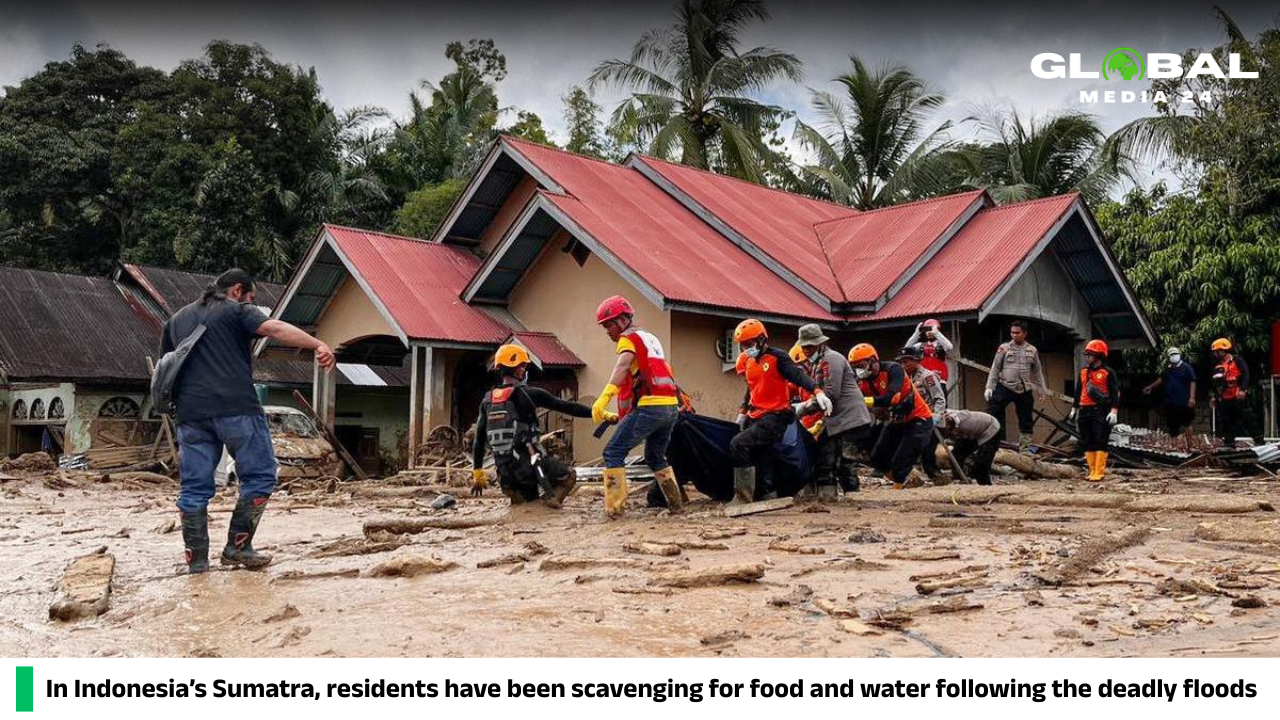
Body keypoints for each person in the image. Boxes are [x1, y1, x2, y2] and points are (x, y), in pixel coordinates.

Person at [162, 268, 336, 574]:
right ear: (237, 290)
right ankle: (237, 548)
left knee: (193, 489)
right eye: (251, 297)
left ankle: (197, 563)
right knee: (260, 475)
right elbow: (275, 329)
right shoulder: (235, 310)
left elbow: (166, 365)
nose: (252, 303)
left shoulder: (176, 319)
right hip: (236, 407)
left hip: (191, 414)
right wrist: (317, 345)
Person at [590, 295, 683, 518]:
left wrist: (604, 397)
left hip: (650, 407)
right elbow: (654, 373)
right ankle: (676, 506)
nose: (608, 331)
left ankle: (615, 512)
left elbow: (622, 367)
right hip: (669, 408)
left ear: (623, 320)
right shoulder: (650, 338)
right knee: (655, 457)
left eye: (609, 324)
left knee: (613, 452)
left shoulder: (627, 339)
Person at [472, 344, 594, 508]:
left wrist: (477, 472)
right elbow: (568, 407)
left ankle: (537, 513)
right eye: (522, 365)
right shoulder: (529, 394)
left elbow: (479, 440)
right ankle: (550, 504)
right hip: (531, 466)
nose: (524, 369)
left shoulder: (488, 400)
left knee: (523, 509)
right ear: (514, 368)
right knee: (568, 476)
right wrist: (597, 413)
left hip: (505, 474)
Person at [732, 319, 832, 503]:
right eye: (743, 345)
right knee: (762, 453)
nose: (746, 348)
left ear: (761, 339)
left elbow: (798, 376)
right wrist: (742, 412)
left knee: (738, 444)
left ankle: (743, 497)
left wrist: (817, 391)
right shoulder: (748, 361)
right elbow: (751, 389)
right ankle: (767, 493)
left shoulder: (778, 357)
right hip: (756, 415)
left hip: (775, 416)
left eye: (749, 343)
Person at [793, 324, 872, 500]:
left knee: (845, 462)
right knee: (824, 457)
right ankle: (827, 497)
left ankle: (853, 498)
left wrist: (802, 408)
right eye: (804, 346)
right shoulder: (817, 363)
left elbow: (830, 394)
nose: (806, 350)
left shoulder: (832, 359)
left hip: (851, 420)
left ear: (820, 344)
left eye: (810, 346)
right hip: (835, 421)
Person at [848, 343, 933, 489]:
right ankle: (906, 482)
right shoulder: (861, 383)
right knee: (877, 458)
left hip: (918, 419)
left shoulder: (893, 369)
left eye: (861, 364)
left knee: (902, 460)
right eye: (855, 366)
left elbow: (891, 396)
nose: (859, 370)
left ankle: (900, 484)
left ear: (873, 360)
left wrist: (864, 401)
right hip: (895, 421)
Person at [984, 320, 1047, 448]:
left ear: (1024, 334)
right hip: (1005, 386)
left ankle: (1025, 449)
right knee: (993, 411)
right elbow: (995, 368)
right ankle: (991, 444)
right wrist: (989, 387)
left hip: (1024, 388)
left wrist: (1041, 388)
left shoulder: (1032, 350)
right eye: (1012, 333)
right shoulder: (1004, 348)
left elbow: (1037, 370)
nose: (1014, 335)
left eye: (1017, 333)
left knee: (1026, 419)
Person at [1068, 340, 1119, 482]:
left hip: (1101, 410)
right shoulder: (1084, 372)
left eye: (1090, 354)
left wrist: (1114, 411)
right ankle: (1091, 470)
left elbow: (1115, 393)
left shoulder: (1108, 372)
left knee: (1100, 439)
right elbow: (1078, 391)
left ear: (1098, 355)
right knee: (1086, 440)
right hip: (1084, 409)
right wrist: (1074, 408)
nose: (1087, 357)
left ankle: (1099, 471)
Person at [898, 345, 946, 480]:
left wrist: (936, 417)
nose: (903, 365)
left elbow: (939, 399)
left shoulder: (928, 377)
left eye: (906, 361)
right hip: (915, 419)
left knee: (927, 451)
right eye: (901, 362)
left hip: (930, 419)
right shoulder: (905, 379)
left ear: (915, 360)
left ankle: (936, 477)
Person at [1142, 347, 1197, 444]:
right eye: (1171, 355)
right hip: (1171, 403)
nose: (1173, 356)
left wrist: (1192, 398)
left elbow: (1193, 381)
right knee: (1173, 428)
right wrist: (1150, 387)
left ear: (1179, 355)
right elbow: (1161, 379)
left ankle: (1190, 445)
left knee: (1187, 424)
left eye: (1175, 354)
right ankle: (1174, 447)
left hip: (1185, 402)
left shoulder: (1187, 367)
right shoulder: (1168, 369)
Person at [938, 410, 1002, 486]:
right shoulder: (947, 417)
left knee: (982, 461)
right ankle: (960, 478)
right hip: (974, 431)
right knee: (956, 453)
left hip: (991, 429)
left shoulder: (965, 425)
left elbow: (966, 437)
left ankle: (985, 485)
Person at [1209, 338, 1250, 444]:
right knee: (1225, 421)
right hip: (1223, 396)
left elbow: (1246, 374)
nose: (1216, 354)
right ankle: (1229, 443)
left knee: (1240, 419)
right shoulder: (1216, 365)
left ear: (1223, 351)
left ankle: (1249, 440)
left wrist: (1243, 390)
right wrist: (1214, 396)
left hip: (1236, 395)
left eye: (1217, 352)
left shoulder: (1237, 360)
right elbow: (1214, 382)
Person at [905, 319, 953, 389]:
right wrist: (916, 333)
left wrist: (937, 333)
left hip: (939, 380)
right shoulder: (921, 346)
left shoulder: (941, 345)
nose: (929, 332)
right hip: (923, 380)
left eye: (931, 329)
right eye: (927, 330)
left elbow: (950, 347)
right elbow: (907, 348)